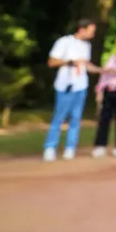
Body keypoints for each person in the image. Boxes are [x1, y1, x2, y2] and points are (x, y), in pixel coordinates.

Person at [42, 19, 100, 161]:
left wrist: (104, 71)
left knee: (76, 118)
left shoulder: (86, 46)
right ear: (82, 29)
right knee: (59, 117)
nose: (93, 35)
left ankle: (70, 147)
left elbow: (87, 65)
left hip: (81, 85)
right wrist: (70, 62)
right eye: (91, 31)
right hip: (66, 85)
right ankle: (50, 147)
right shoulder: (64, 42)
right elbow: (51, 62)